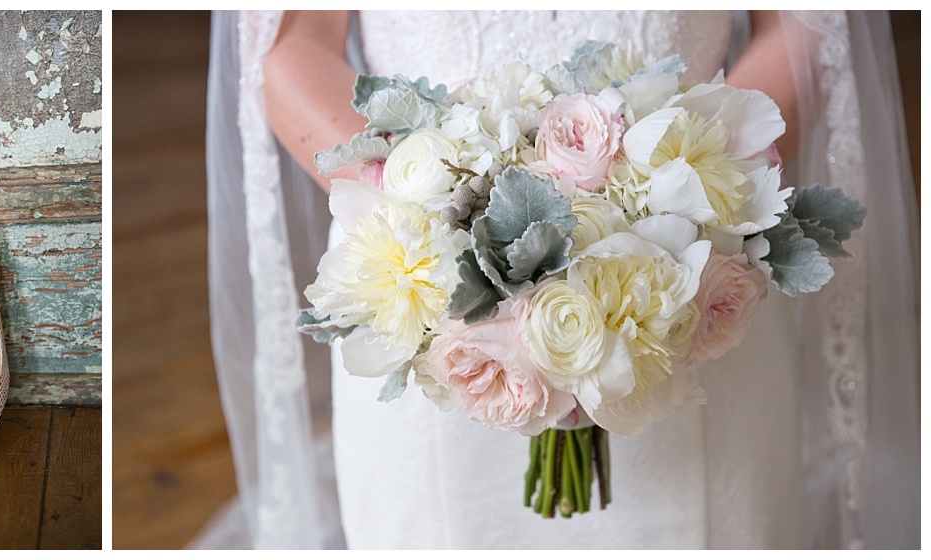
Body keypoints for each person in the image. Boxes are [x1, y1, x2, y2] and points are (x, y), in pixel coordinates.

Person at [205, 10, 918, 549]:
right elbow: (290, 40)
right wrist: (431, 208)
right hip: (426, 288)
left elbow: (806, 19)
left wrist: (673, 200)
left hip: (692, 277)